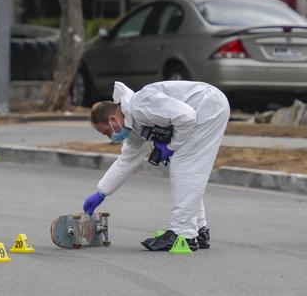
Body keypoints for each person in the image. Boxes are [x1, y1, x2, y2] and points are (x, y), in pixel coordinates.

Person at [83, 80, 230, 251]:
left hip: (207, 106)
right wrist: (101, 192)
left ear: (113, 120)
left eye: (106, 132)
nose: (110, 138)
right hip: (207, 106)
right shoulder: (134, 126)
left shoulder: (140, 106)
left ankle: (183, 234)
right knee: (187, 172)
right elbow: (126, 161)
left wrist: (170, 146)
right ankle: (198, 231)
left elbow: (186, 117)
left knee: (185, 168)